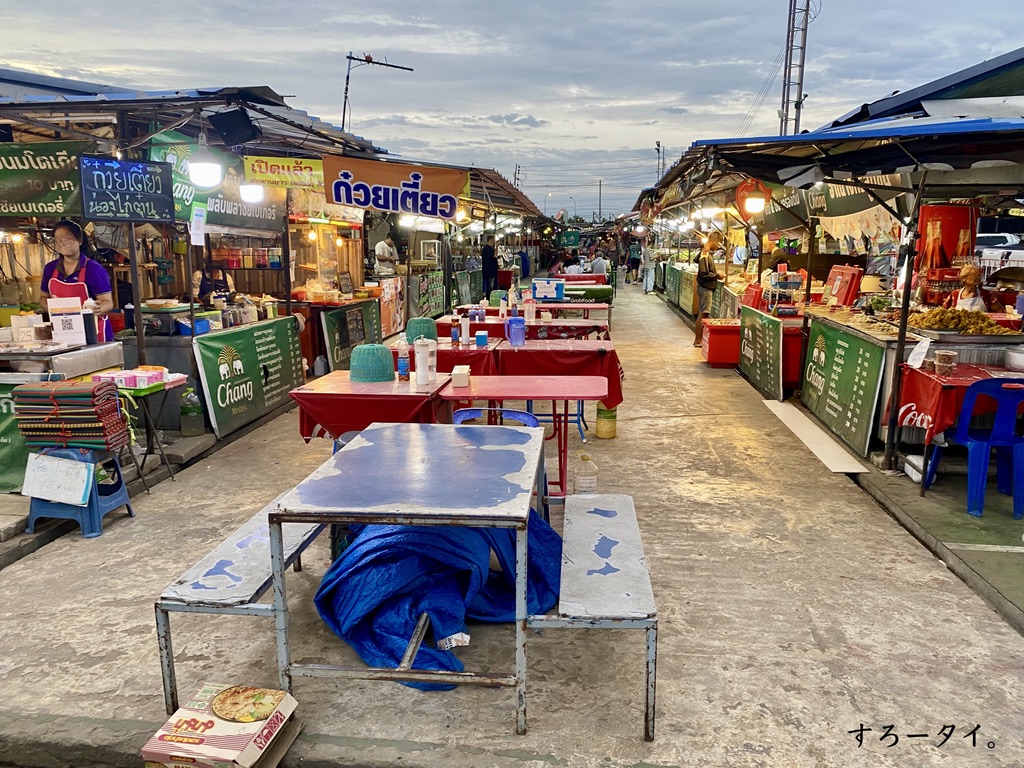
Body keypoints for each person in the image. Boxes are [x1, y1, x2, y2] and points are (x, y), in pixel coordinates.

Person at [40, 220, 114, 339]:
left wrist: (98, 309)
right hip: (63, 330)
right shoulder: (50, 269)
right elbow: (43, 297)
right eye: (58, 240)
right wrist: (53, 309)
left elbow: (108, 302)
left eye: (67, 239)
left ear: (79, 240)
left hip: (93, 331)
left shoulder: (94, 269)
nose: (62, 243)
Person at [694, 235, 726, 346]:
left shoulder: (705, 253)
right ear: (713, 241)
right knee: (703, 313)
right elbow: (704, 273)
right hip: (705, 288)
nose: (718, 246)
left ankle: (700, 339)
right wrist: (717, 275)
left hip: (705, 288)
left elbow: (696, 260)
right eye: (718, 243)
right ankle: (698, 340)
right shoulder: (705, 254)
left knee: (704, 313)